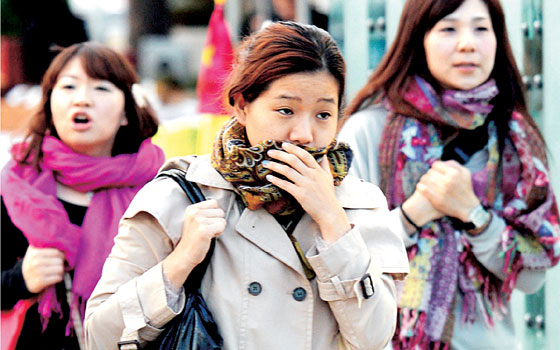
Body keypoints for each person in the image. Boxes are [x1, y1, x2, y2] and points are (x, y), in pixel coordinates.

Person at [84, 21, 409, 350]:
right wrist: (178, 264)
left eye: (323, 114)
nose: (304, 134)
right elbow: (99, 338)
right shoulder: (179, 195)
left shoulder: (360, 204)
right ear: (242, 105)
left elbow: (374, 337)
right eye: (286, 110)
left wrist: (333, 221)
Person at [338, 0, 560, 349]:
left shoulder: (513, 138)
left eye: (480, 28)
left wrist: (474, 215)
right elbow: (342, 255)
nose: (467, 43)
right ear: (418, 38)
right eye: (449, 28)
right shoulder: (368, 131)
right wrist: (414, 214)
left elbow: (532, 275)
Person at [1, 42, 165, 349]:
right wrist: (20, 279)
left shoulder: (158, 190)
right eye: (68, 86)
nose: (82, 99)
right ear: (50, 104)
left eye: (101, 88)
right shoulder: (15, 187)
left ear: (127, 112)